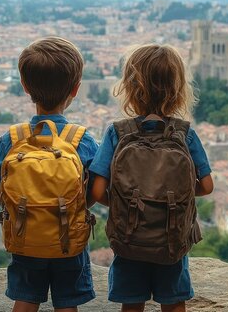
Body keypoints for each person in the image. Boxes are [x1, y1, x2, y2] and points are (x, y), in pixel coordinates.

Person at [89, 44, 214, 312]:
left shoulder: (117, 133)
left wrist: (127, 204)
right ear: (178, 91)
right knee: (173, 303)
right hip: (171, 239)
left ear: (130, 90)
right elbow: (206, 185)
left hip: (130, 239)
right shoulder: (185, 134)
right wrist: (173, 196)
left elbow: (97, 190)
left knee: (131, 305)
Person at [0, 37, 98, 312]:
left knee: (25, 299)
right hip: (68, 240)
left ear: (25, 87)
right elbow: (94, 191)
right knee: (67, 303)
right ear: (75, 89)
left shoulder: (12, 139)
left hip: (26, 236)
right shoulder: (82, 140)